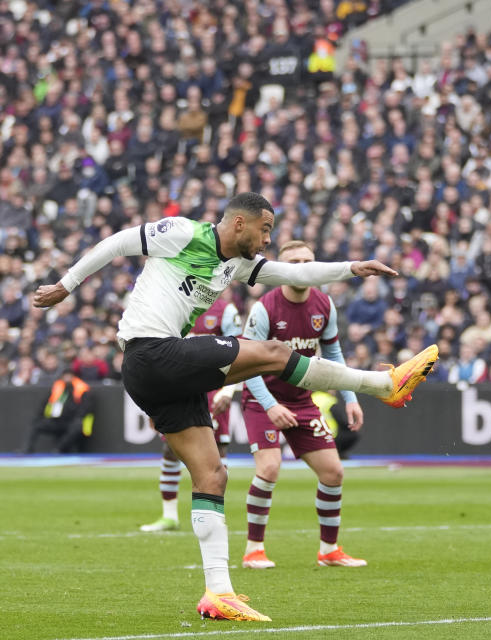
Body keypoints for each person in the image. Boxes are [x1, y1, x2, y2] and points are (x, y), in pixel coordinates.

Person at [33, 192, 439, 623]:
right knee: (273, 353)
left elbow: (291, 270)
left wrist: (351, 269)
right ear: (240, 224)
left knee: (212, 474)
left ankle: (217, 592)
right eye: (265, 230)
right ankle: (383, 384)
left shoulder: (239, 265)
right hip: (150, 352)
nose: (268, 240)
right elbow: (117, 242)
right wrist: (66, 285)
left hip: (158, 371)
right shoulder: (184, 232)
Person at [240, 240, 367, 570]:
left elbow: (334, 355)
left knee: (333, 472)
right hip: (261, 398)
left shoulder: (324, 305)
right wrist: (269, 406)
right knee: (268, 468)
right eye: (293, 261)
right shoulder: (265, 308)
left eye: (307, 261)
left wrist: (350, 397)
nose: (302, 266)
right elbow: (247, 364)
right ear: (280, 269)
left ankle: (329, 550)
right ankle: (254, 548)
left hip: (301, 399)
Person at [140, 296, 243, 533]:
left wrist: (229, 390)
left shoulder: (224, 310)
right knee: (170, 449)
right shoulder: (173, 305)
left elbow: (239, 350)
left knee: (218, 451)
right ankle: (169, 516)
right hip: (178, 389)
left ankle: (218, 514)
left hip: (212, 390)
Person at [22, 370, 94, 454]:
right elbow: (45, 404)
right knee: (35, 424)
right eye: (65, 376)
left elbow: (85, 408)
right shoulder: (57, 388)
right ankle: (27, 449)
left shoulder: (82, 389)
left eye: (70, 376)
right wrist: (41, 417)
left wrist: (74, 415)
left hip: (71, 421)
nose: (67, 379)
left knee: (76, 426)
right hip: (57, 420)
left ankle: (58, 449)